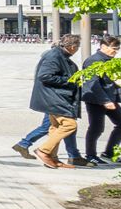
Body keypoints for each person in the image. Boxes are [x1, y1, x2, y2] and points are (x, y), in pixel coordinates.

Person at [28, 32, 86, 169]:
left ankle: (52, 158)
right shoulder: (54, 56)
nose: (77, 50)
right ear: (72, 46)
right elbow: (45, 76)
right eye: (77, 47)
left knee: (55, 128)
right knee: (69, 125)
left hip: (55, 97)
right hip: (55, 98)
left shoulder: (60, 56)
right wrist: (70, 81)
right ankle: (44, 151)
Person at [82, 34, 121, 166]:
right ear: (103, 46)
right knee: (96, 128)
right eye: (114, 48)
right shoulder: (94, 60)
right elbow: (92, 83)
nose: (116, 51)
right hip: (95, 100)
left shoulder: (108, 60)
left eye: (118, 48)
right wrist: (105, 101)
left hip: (109, 98)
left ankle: (109, 153)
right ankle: (90, 155)